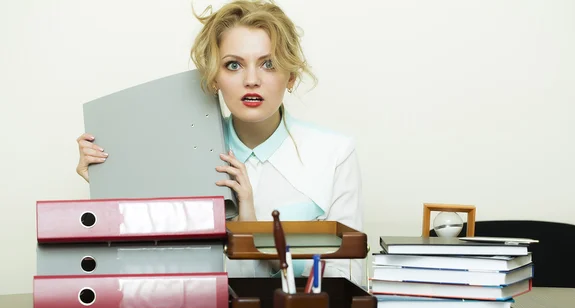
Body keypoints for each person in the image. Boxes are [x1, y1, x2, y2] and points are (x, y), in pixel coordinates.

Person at [75, 0, 365, 285]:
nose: (251, 80)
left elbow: (346, 279)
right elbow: (148, 263)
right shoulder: (176, 150)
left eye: (268, 63)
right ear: (214, 77)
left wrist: (253, 233)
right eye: (233, 65)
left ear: (290, 75)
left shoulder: (335, 154)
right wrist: (110, 185)